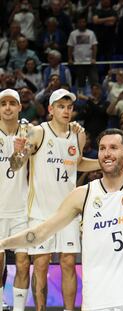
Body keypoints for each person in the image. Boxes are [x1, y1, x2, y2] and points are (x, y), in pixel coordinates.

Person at [0, 127, 123, 311]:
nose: (106, 153)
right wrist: (3, 243)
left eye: (113, 147)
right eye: (102, 148)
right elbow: (40, 234)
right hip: (98, 301)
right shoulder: (82, 194)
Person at [9, 88, 100, 311]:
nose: (66, 111)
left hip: (67, 213)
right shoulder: (38, 132)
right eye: (61, 106)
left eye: (69, 107)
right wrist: (17, 152)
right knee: (40, 264)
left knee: (69, 263)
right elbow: (16, 164)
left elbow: (77, 163)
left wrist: (103, 163)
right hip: (40, 212)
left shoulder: (78, 134)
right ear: (50, 109)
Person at [0, 89, 30, 311]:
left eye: (12, 103)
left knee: (23, 263)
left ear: (20, 107)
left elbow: (16, 165)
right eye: (3, 104)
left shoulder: (28, 133)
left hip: (21, 209)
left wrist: (19, 152)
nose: (8, 107)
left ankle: (19, 308)